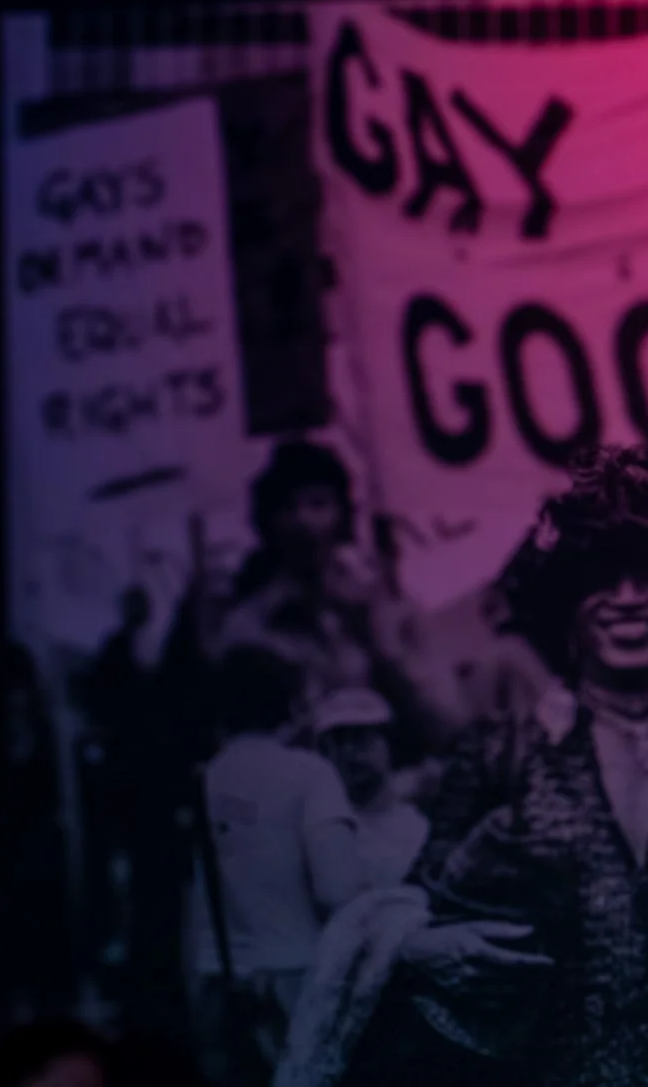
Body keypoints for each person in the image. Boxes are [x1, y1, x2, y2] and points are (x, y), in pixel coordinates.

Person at [278, 444, 648, 1087]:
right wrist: (429, 948)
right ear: (565, 608)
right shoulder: (500, 752)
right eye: (601, 582)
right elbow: (415, 908)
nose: (627, 599)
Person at [188, 645, 363, 1084]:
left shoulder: (203, 780)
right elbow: (338, 890)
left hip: (216, 986)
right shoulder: (309, 774)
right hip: (294, 987)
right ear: (290, 703)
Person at [214, 440, 437, 752]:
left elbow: (441, 724)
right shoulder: (250, 626)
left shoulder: (386, 607)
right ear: (267, 522)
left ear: (343, 515)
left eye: (319, 504)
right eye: (288, 507)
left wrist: (380, 645)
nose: (303, 521)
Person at [311, 688, 430, 888]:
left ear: (389, 743)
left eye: (360, 737)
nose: (348, 751)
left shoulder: (418, 828)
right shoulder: (322, 830)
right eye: (339, 741)